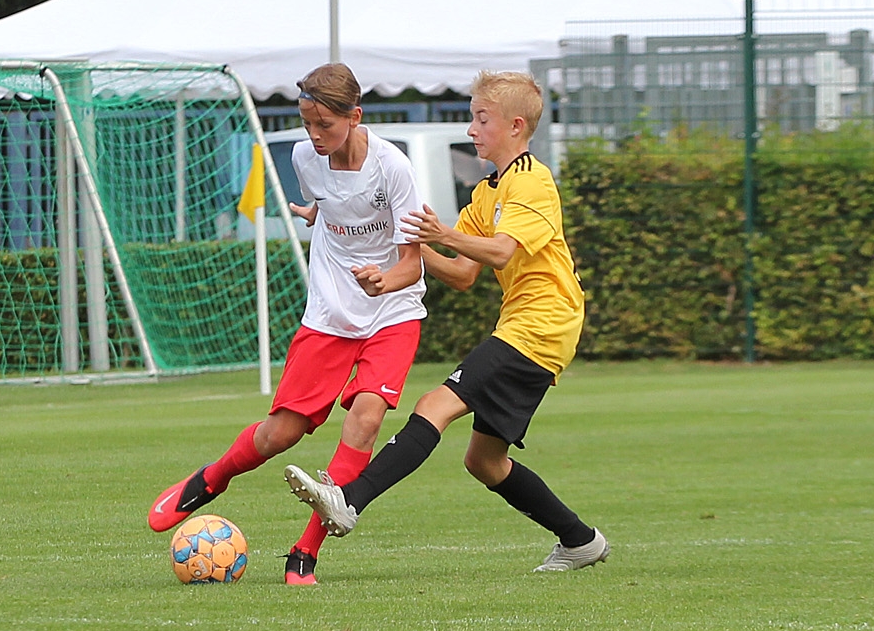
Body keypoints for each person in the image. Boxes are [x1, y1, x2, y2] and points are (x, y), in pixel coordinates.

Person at [285, 71, 608, 572]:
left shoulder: (532, 181)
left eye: (482, 119)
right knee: (484, 462)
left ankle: (349, 501)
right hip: (527, 327)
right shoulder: (486, 193)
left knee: (434, 404)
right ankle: (580, 540)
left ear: (516, 126)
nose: (472, 129)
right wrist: (399, 239)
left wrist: (442, 234)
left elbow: (500, 252)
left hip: (542, 324)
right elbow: (461, 274)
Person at [146, 62, 427, 585]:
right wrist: (320, 214)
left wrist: (383, 281)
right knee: (281, 434)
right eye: (307, 123)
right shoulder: (304, 157)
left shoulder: (393, 167)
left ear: (355, 116)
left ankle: (305, 551)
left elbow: (412, 262)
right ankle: (211, 478)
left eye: (325, 125)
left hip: (392, 310)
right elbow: (331, 205)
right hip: (329, 312)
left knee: (366, 417)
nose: (314, 135)